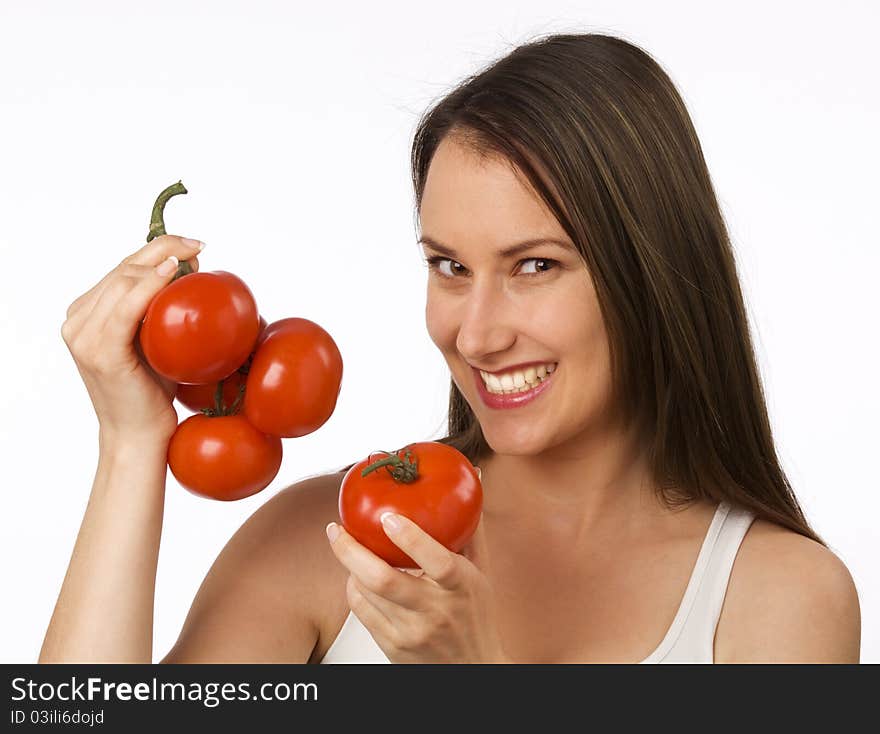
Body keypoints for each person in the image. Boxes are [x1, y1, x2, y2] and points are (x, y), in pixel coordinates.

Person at [40, 32, 860, 664]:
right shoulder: (326, 544)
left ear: (651, 270)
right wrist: (129, 445)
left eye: (535, 266)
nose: (476, 333)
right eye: (450, 267)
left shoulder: (776, 599)